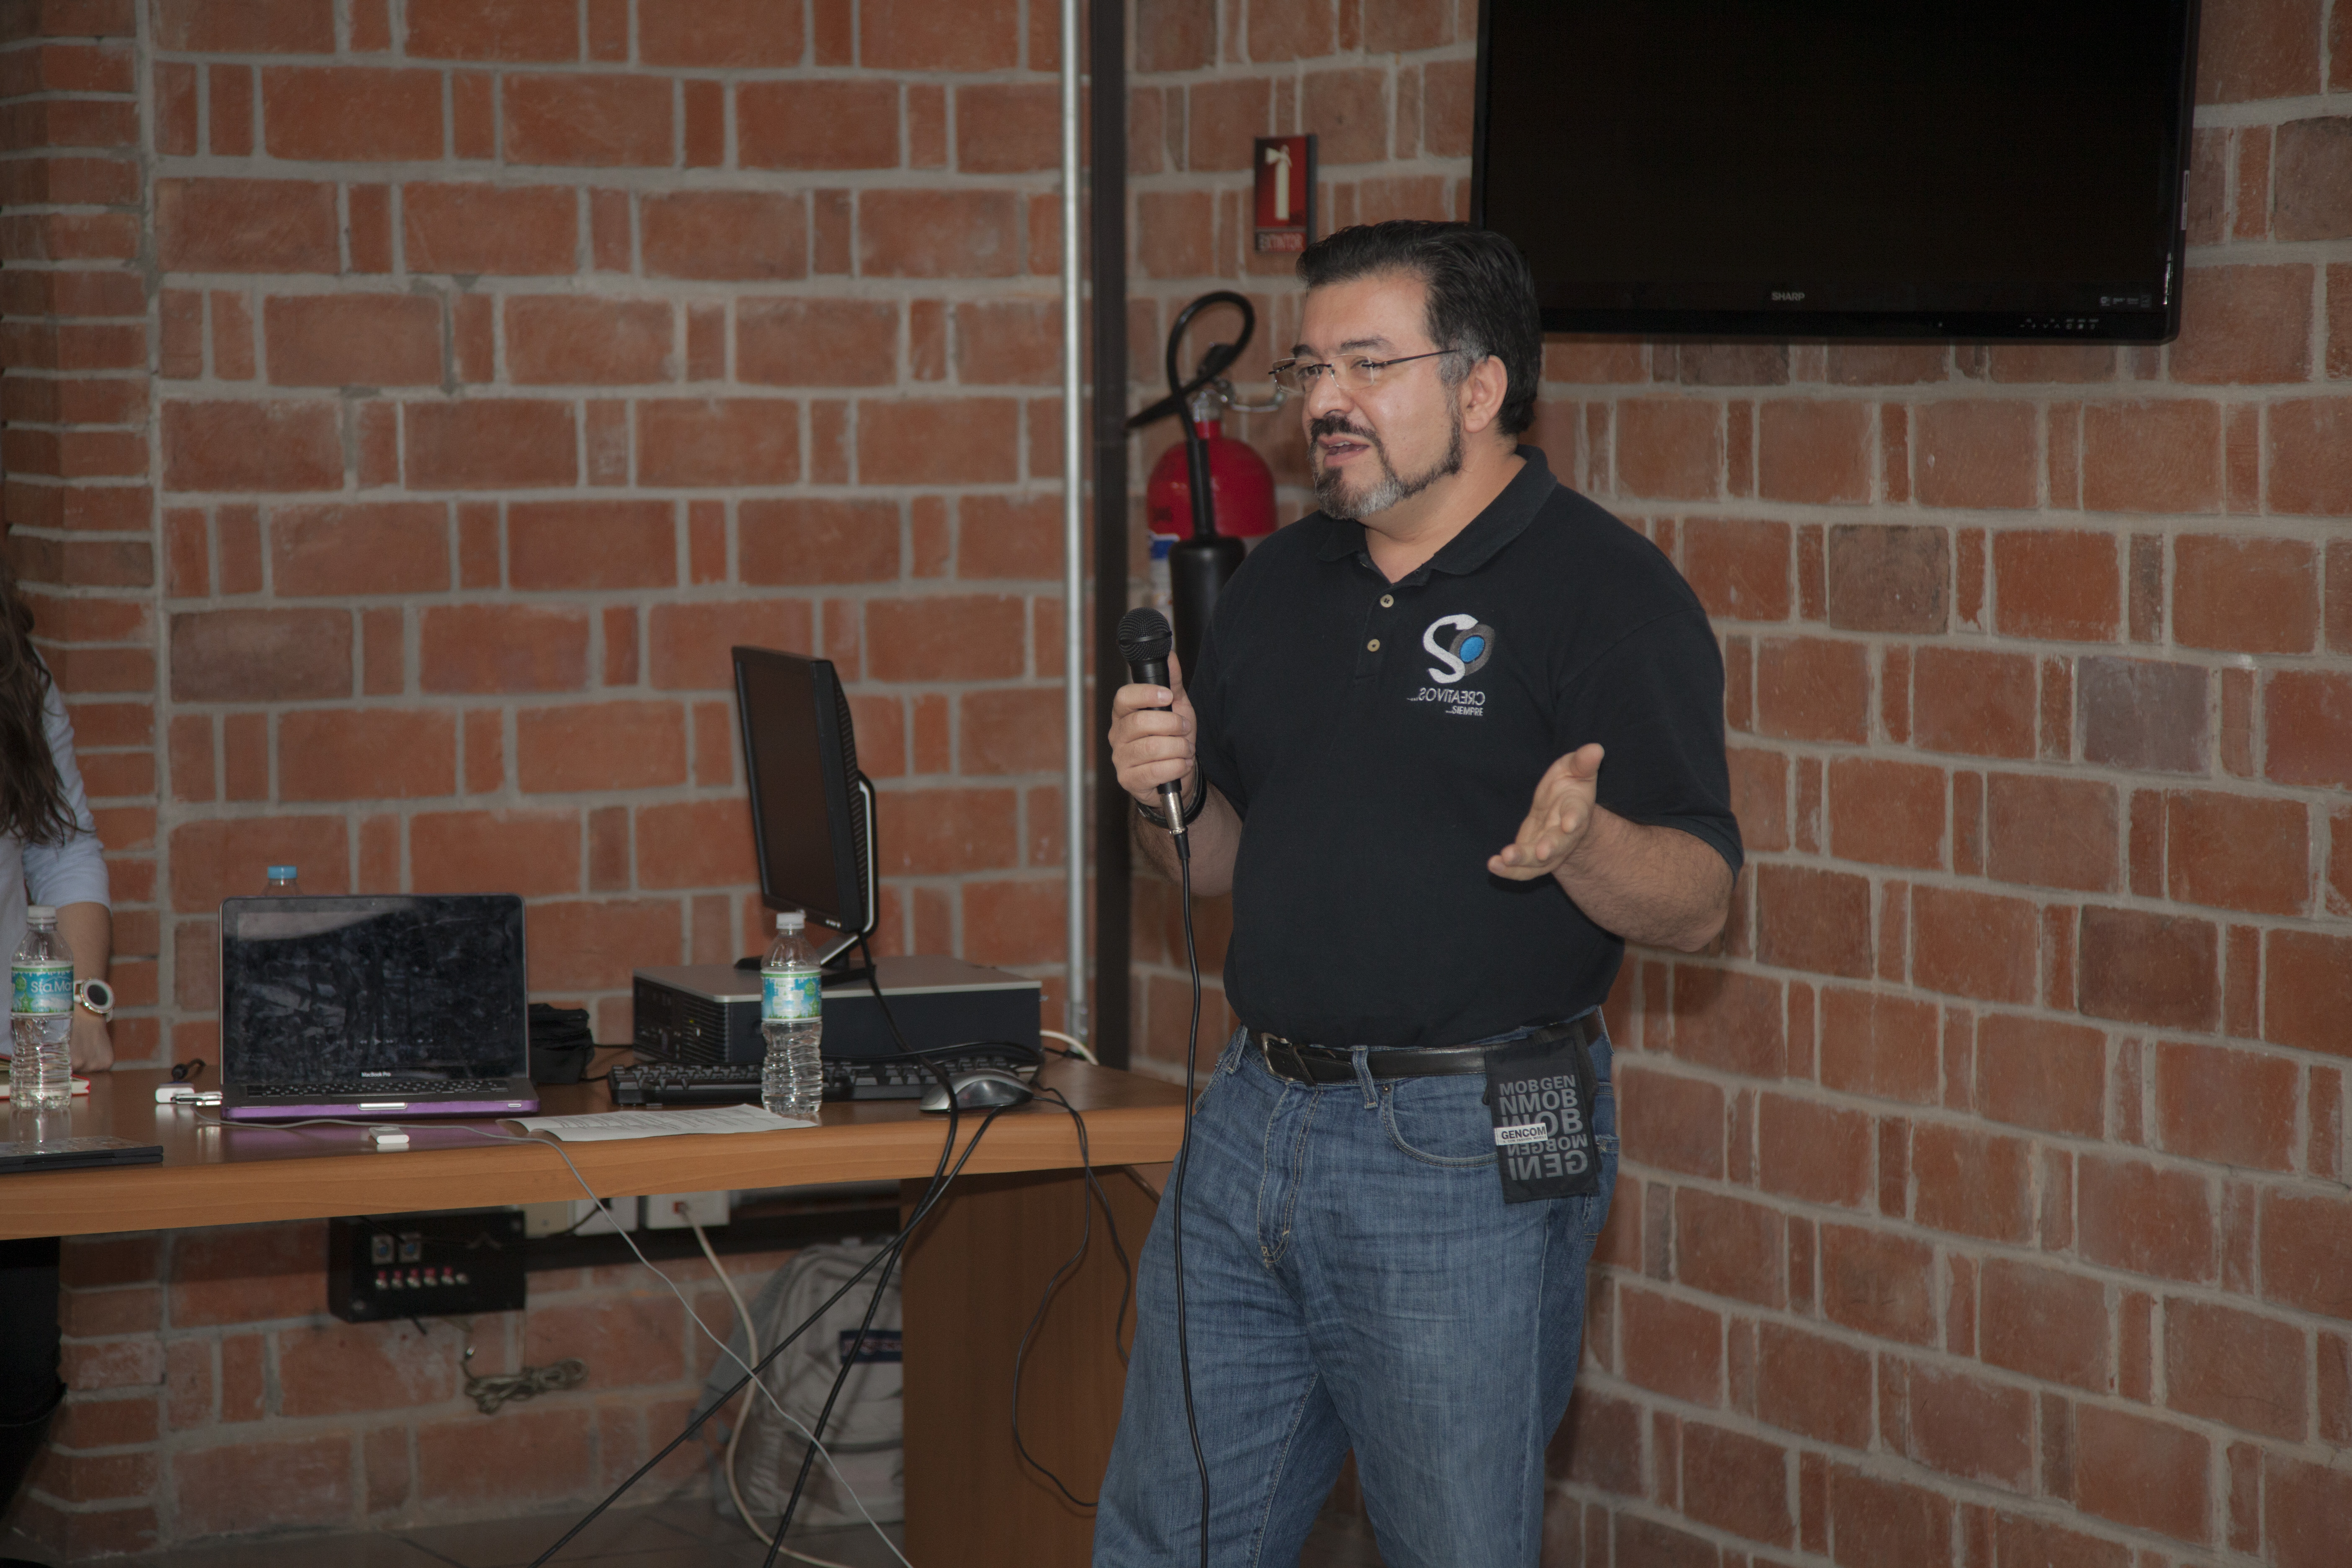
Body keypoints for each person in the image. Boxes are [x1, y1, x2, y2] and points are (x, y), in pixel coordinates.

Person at [1096, 221, 1740, 1567]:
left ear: (1480, 386)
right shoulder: (1281, 583)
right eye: (1310, 368)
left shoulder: (1608, 594)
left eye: (1368, 364)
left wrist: (1583, 843)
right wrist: (1168, 794)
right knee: (1167, 1540)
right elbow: (1216, 863)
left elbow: (1699, 903)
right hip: (1253, 1123)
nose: (1324, 402)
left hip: (1476, 1139)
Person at [0, 565, 115, 1556]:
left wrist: (80, 1002)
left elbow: (63, 848)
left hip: (7, 1075)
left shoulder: (17, 672)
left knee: (18, 1366)